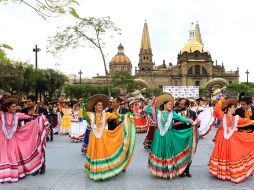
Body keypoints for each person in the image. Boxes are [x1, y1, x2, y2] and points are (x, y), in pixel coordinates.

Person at [82, 94, 136, 181]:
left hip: (103, 137)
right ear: (94, 106)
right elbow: (83, 115)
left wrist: (127, 115)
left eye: (102, 105)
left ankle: (103, 170)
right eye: (99, 105)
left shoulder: (106, 114)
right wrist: (83, 105)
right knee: (95, 153)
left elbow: (117, 116)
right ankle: (95, 170)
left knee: (103, 152)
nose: (101, 106)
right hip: (94, 137)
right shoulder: (90, 114)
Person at [145, 93, 198, 179]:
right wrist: (152, 102)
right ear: (164, 105)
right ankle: (159, 170)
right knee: (158, 151)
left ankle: (167, 170)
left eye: (171, 104)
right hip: (159, 135)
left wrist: (193, 121)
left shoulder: (173, 114)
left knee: (168, 152)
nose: (171, 105)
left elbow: (183, 119)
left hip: (168, 135)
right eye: (169, 104)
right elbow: (147, 110)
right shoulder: (158, 112)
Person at [0, 95, 48, 183]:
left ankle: (16, 172)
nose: (15, 108)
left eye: (15, 106)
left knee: (13, 154)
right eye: (13, 107)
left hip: (13, 139)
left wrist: (40, 117)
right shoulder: (1, 115)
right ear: (7, 108)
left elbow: (29, 116)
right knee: (4, 156)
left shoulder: (17, 115)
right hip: (3, 139)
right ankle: (6, 173)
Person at [209, 97, 254, 183]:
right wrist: (220, 100)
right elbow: (216, 110)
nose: (235, 109)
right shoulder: (222, 115)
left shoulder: (236, 118)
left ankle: (229, 173)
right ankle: (222, 172)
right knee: (222, 153)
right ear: (229, 108)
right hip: (221, 138)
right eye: (233, 107)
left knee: (232, 154)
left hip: (231, 138)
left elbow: (248, 121)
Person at [172, 98, 197, 177]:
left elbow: (197, 124)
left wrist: (196, 123)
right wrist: (184, 121)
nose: (180, 105)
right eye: (179, 103)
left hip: (189, 135)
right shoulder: (175, 112)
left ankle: (187, 170)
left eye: (182, 104)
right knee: (178, 153)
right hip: (177, 136)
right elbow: (171, 124)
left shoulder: (192, 113)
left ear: (187, 105)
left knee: (189, 152)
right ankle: (180, 170)